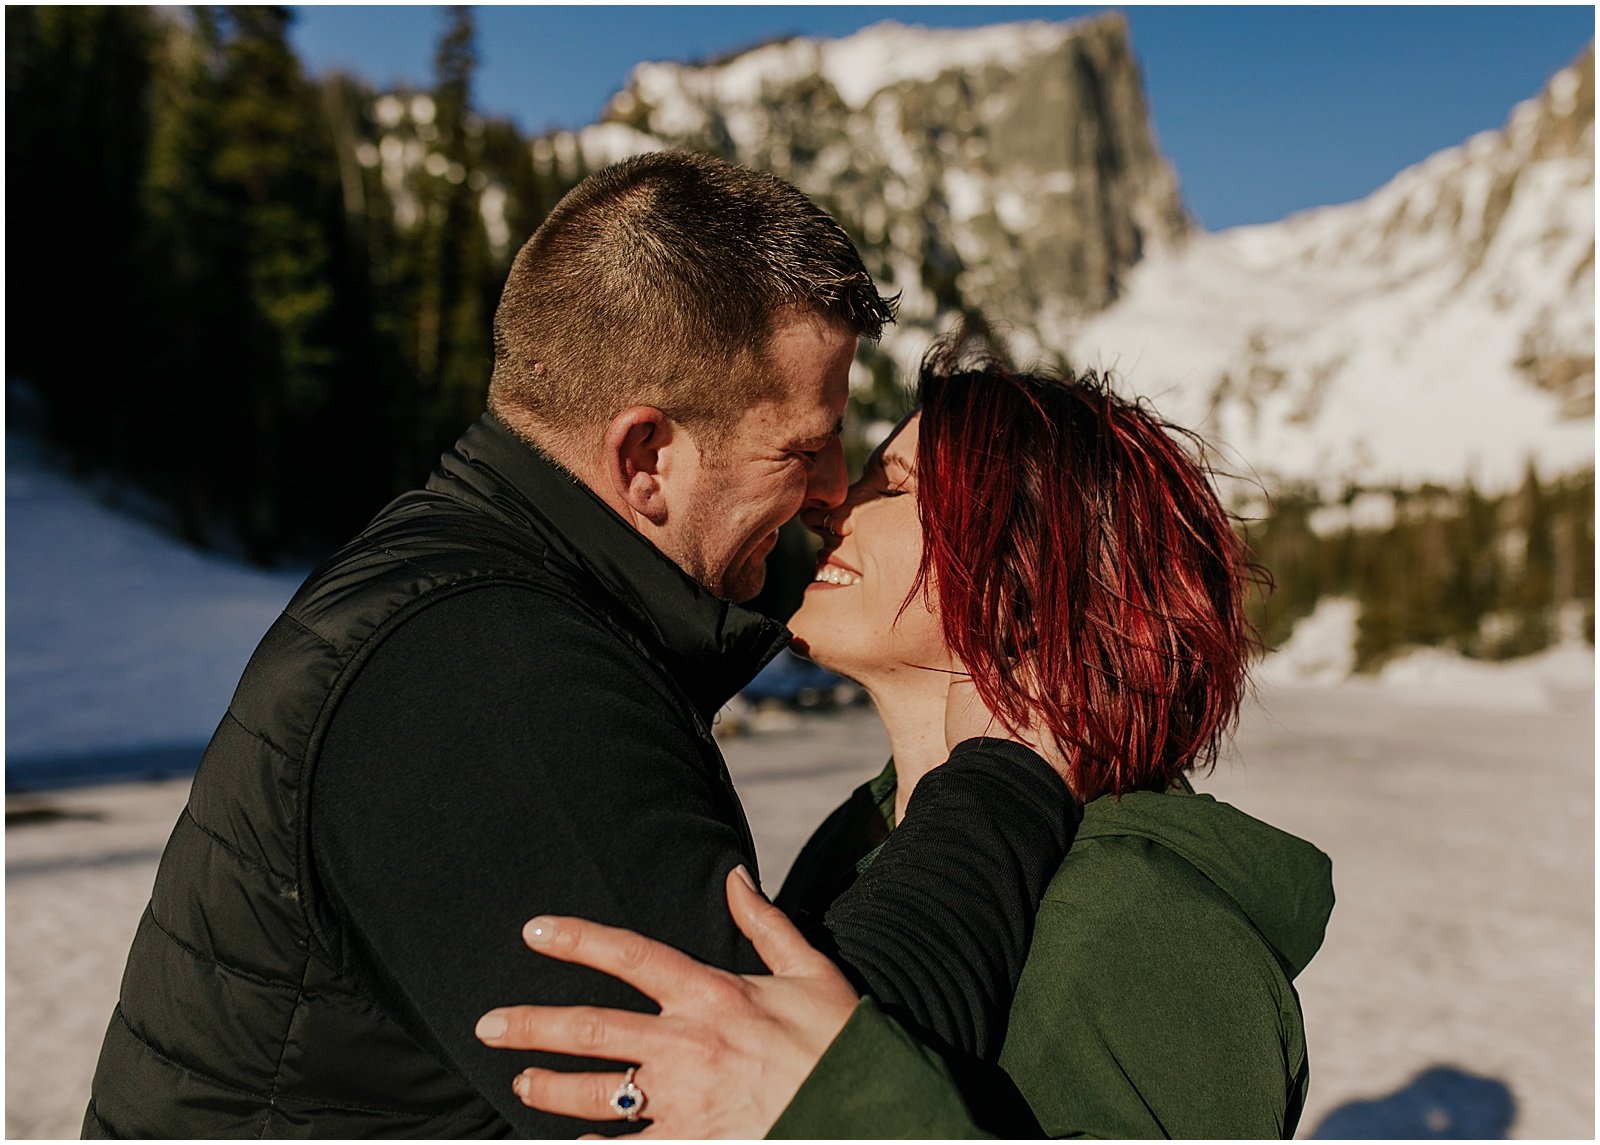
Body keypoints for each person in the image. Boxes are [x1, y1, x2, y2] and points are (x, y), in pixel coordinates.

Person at [82, 154, 1082, 1138]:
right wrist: (1007, 776)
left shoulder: (474, 592)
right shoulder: (485, 674)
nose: (831, 489)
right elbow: (789, 1084)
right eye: (801, 446)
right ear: (648, 458)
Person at [476, 343, 1337, 1137]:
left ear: (1025, 568)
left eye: (894, 483)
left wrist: (830, 1104)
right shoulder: (865, 838)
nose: (830, 504)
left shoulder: (1160, 933)